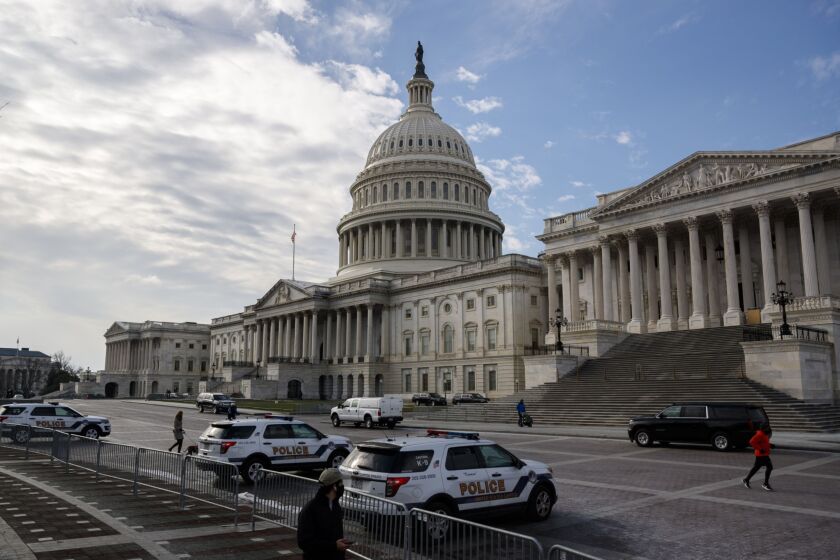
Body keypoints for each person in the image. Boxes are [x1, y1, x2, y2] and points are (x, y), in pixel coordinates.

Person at [297, 468, 351, 560]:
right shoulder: (310, 510)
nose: (343, 486)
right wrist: (334, 546)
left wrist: (341, 544)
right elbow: (304, 542)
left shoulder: (335, 505)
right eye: (341, 483)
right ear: (334, 486)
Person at [743, 423, 773, 491]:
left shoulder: (764, 434)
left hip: (764, 454)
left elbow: (763, 442)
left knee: (756, 467)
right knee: (769, 467)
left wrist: (770, 445)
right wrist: (760, 449)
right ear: (764, 428)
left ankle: (746, 480)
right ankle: (765, 484)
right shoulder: (760, 434)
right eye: (767, 428)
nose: (769, 429)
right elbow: (751, 442)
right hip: (761, 454)